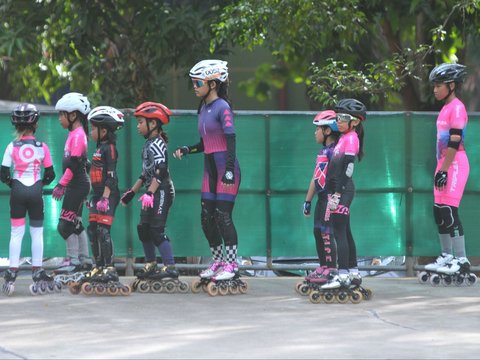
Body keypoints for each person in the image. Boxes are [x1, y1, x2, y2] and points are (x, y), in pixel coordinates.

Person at [173, 59, 241, 281]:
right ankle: (218, 262)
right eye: (193, 81)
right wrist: (188, 149)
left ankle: (232, 265)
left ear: (212, 84)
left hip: (225, 168)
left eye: (198, 82)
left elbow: (230, 139)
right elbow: (206, 143)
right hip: (209, 168)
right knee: (206, 218)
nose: (194, 86)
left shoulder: (222, 106)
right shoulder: (202, 107)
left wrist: (229, 169)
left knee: (223, 216)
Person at [121, 102, 187, 292]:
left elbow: (161, 171)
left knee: (156, 230)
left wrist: (151, 192)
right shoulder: (147, 144)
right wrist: (132, 192)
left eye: (141, 122)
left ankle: (170, 266)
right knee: (143, 229)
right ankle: (151, 263)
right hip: (151, 190)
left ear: (153, 124)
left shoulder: (158, 144)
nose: (137, 126)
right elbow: (145, 174)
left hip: (162, 190)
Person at [1, 103, 57, 295]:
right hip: (35, 190)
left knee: (16, 233)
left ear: (16, 126)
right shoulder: (42, 147)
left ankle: (11, 272)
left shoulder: (11, 146)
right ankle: (37, 270)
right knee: (36, 233)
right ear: (36, 125)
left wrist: (13, 184)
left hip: (17, 190)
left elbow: (3, 173)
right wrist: (39, 185)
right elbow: (50, 174)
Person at [423, 63, 471, 277]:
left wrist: (444, 170)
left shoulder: (458, 108)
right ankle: (447, 256)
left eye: (438, 85)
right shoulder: (444, 109)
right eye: (434, 85)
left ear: (451, 85)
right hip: (443, 164)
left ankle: (461, 260)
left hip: (455, 164)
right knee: (438, 210)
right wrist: (441, 168)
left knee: (450, 210)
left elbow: (454, 142)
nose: (435, 89)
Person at [321, 98, 366, 290]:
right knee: (345, 232)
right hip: (338, 190)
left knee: (339, 232)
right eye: (337, 117)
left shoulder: (351, 139)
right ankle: (354, 272)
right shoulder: (343, 138)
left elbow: (348, 169)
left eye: (343, 117)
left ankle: (343, 274)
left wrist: (337, 194)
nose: (338, 120)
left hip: (343, 190)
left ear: (355, 121)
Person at [298, 110, 340, 293]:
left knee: (326, 232)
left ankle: (331, 269)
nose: (315, 133)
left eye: (318, 129)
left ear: (328, 131)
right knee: (317, 231)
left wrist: (336, 198)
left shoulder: (336, 151)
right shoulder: (322, 151)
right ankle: (323, 266)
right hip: (321, 198)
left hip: (331, 197)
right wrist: (308, 200)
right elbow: (316, 177)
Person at [84, 106, 125, 287]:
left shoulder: (110, 148)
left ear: (104, 130)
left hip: (108, 196)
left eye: (93, 129)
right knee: (92, 230)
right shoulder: (98, 147)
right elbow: (95, 170)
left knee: (103, 231)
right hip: (96, 195)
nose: (91, 132)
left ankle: (109, 268)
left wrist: (106, 198)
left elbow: (112, 176)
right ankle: (98, 266)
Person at [52, 92, 92, 275]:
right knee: (75, 224)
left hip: (77, 185)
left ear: (73, 115)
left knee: (64, 226)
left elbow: (75, 164)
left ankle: (73, 261)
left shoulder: (78, 135)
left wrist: (61, 184)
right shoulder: (75, 133)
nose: (60, 118)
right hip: (78, 185)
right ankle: (85, 260)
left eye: (62, 114)